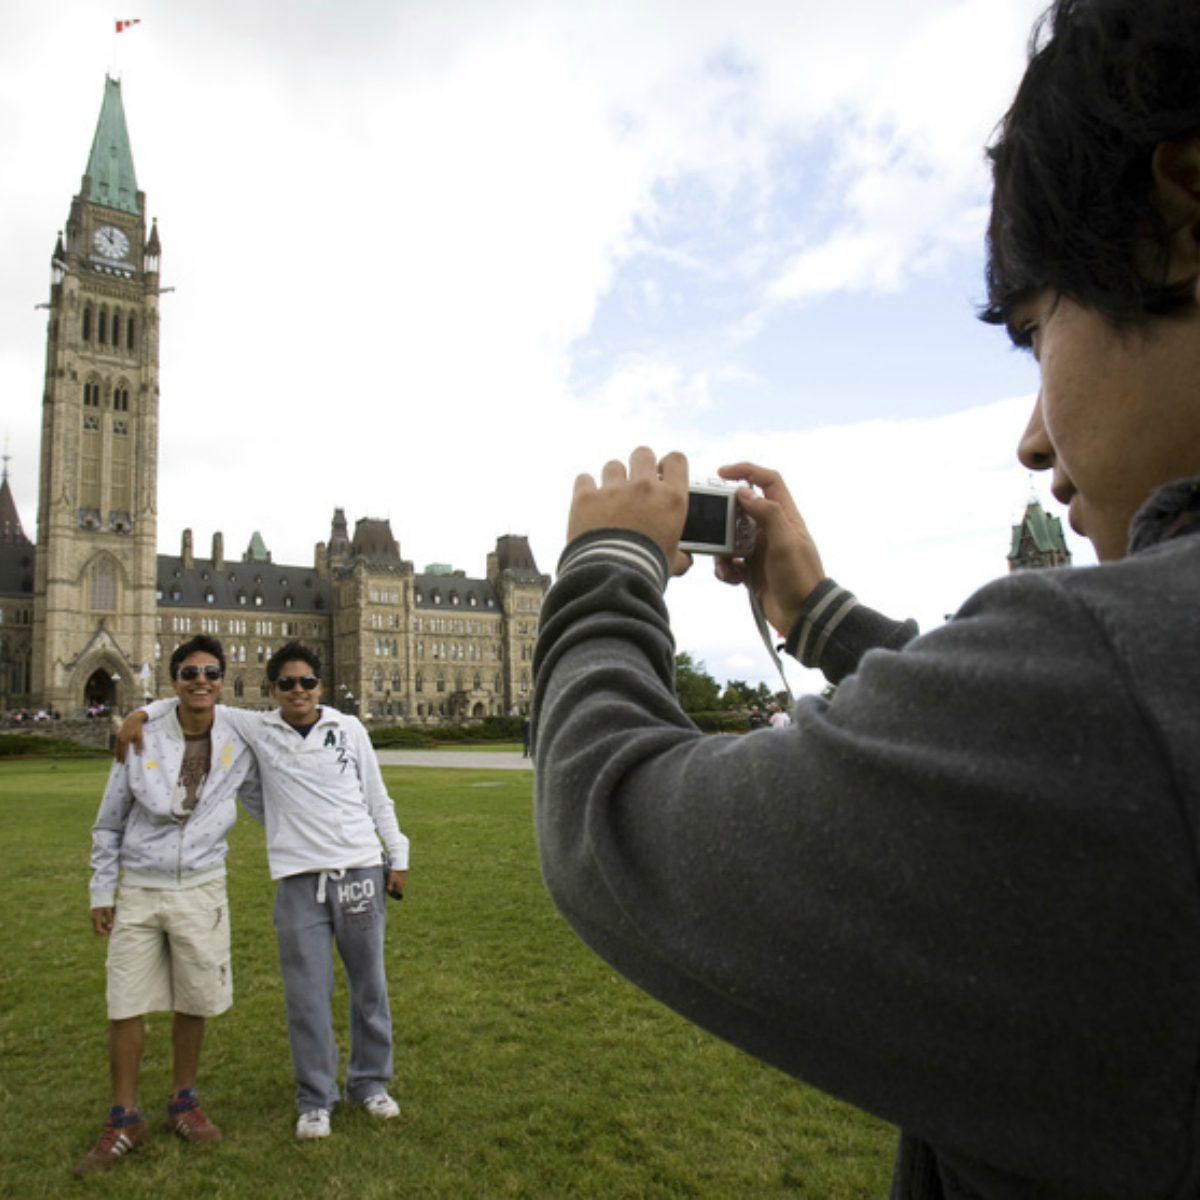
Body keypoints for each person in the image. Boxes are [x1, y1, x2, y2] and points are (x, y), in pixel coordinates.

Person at [532, 1, 1200, 1195]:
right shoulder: (1133, 706)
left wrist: (608, 567)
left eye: (1037, 329)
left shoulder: (1122, 691)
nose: (1034, 440)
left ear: (1184, 217)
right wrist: (820, 615)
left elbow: (614, 827)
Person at [124, 642, 409, 1141]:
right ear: (271, 689)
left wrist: (397, 854)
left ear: (320, 686)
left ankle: (370, 1082)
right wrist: (141, 710)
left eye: (307, 682)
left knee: (370, 985)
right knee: (306, 994)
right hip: (298, 879)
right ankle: (316, 1098)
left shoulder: (350, 728)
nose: (298, 691)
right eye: (287, 683)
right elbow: (197, 695)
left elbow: (376, 794)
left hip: (361, 868)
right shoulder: (256, 727)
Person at [75, 635, 259, 1177]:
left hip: (201, 885)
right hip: (141, 886)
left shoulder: (239, 732)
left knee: (193, 997)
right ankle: (124, 1115)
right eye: (188, 673)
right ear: (174, 680)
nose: (200, 680)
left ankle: (183, 1100)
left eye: (209, 672)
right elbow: (109, 820)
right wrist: (100, 890)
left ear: (222, 681)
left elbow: (296, 710)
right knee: (124, 1001)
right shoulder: (142, 736)